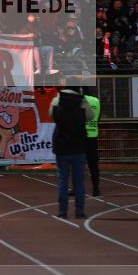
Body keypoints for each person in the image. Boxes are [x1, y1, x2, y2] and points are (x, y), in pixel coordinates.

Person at [50, 84, 93, 219]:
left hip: (62, 145)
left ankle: (62, 212)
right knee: (79, 181)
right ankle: (79, 211)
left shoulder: (57, 100)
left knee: (63, 180)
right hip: (78, 145)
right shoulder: (82, 100)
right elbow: (90, 116)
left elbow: (51, 115)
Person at [84, 86, 102, 197]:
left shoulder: (81, 100)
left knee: (77, 164)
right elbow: (98, 117)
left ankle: (76, 188)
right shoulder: (96, 101)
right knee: (93, 164)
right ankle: (96, 188)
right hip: (93, 135)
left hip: (81, 135)